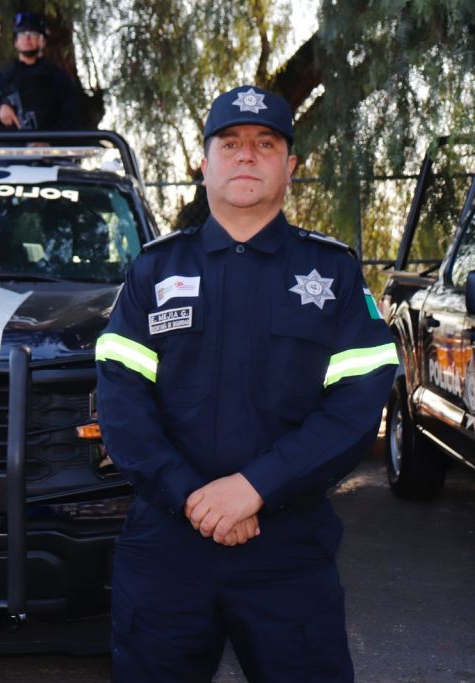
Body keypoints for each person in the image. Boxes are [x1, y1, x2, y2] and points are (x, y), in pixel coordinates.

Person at [95, 85, 397, 682]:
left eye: (266, 143)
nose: (246, 156)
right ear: (203, 165)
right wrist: (191, 496)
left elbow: (358, 402)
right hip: (167, 549)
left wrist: (255, 487)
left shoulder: (332, 272)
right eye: (229, 143)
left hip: (287, 550)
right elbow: (121, 404)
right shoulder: (154, 271)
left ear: (290, 167)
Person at [0, 11, 82, 132]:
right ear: (15, 42)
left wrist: (49, 142)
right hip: (11, 148)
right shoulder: (3, 78)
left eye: (32, 33)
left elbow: (73, 119)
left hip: (50, 149)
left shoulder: (58, 78)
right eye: (22, 33)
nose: (27, 38)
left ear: (42, 40)